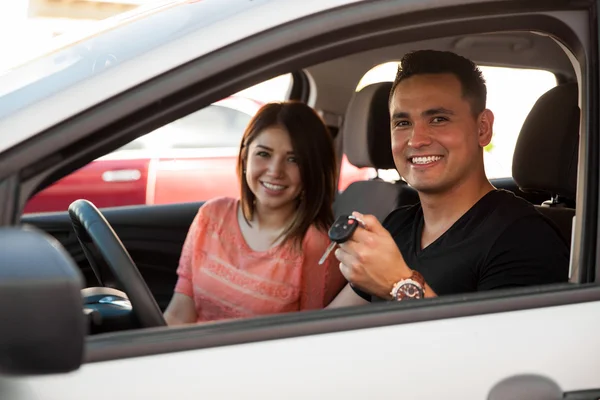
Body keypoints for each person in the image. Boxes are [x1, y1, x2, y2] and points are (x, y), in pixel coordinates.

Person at [328, 50, 569, 307]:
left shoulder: (524, 238)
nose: (416, 139)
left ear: (483, 128)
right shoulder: (398, 224)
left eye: (439, 119)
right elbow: (327, 325)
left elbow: (499, 347)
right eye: (402, 123)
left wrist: (398, 284)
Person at [164, 101, 345, 324]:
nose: (275, 171)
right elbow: (178, 313)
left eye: (293, 159)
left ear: (311, 169)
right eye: (264, 154)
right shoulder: (211, 216)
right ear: (245, 156)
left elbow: (309, 335)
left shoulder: (315, 243)